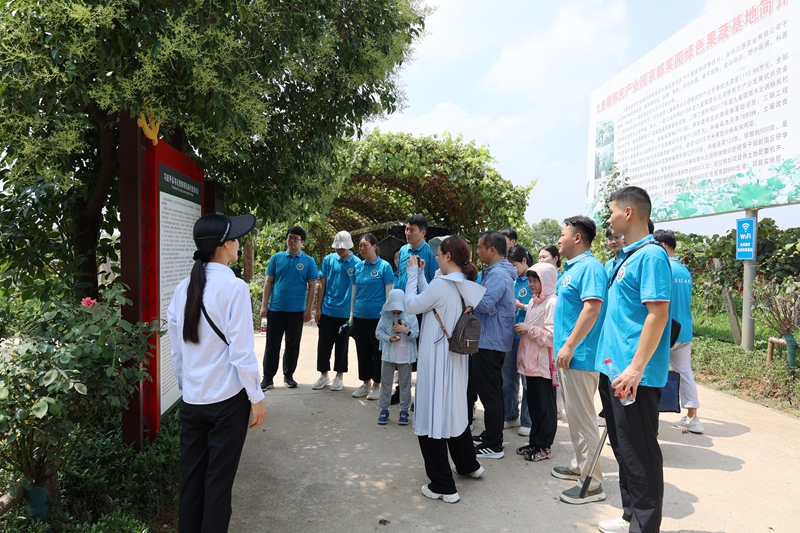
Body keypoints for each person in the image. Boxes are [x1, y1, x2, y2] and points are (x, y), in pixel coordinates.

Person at [167, 214, 266, 533]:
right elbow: (241, 351)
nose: (238, 243)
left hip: (193, 401)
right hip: (227, 403)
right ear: (223, 245)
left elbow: (177, 349)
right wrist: (256, 397)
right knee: (218, 485)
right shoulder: (235, 288)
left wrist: (187, 385)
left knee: (192, 482)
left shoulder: (183, 288)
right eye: (235, 238)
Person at [596, 186, 671, 533]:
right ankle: (630, 514)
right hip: (613, 370)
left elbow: (658, 314)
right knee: (623, 449)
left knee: (640, 454)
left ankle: (644, 526)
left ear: (628, 213)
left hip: (633, 375)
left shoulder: (652, 256)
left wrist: (636, 368)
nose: (608, 219)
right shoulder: (627, 256)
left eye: (611, 211)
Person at [405, 236, 486, 503]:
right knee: (454, 410)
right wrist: (421, 276)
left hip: (437, 358)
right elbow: (431, 299)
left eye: (439, 254)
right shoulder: (463, 284)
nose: (437, 258)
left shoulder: (443, 284)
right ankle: (468, 464)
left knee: (432, 415)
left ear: (448, 257)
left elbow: (412, 305)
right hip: (456, 359)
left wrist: (411, 274)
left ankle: (442, 485)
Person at [551, 216, 608, 505]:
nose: (558, 240)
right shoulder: (573, 268)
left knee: (584, 419)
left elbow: (592, 309)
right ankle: (579, 465)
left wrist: (570, 345)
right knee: (575, 416)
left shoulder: (591, 268)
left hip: (579, 356)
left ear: (577, 238)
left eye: (562, 234)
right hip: (569, 357)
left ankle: (592, 483)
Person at [470, 230, 517, 459]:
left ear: (491, 250)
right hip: (491, 338)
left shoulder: (498, 274)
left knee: (490, 393)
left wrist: (465, 294)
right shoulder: (496, 272)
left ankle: (494, 444)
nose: (477, 251)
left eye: (480, 247)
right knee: (491, 391)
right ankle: (491, 434)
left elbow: (486, 304)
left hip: (491, 341)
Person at [653, 229, 703, 434]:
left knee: (653, 373)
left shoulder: (662, 269)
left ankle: (649, 419)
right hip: (684, 331)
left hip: (665, 331)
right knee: (685, 372)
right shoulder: (684, 271)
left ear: (663, 246)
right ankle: (693, 418)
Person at [259, 226, 319, 390]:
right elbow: (268, 282)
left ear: (302, 242)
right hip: (276, 309)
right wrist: (264, 305)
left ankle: (288, 375)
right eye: (290, 238)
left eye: (296, 239)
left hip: (296, 311)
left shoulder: (308, 261)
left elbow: (312, 286)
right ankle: (268, 378)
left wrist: (308, 310)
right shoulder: (276, 258)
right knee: (272, 344)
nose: (292, 241)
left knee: (293, 344)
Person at [513, 263, 559, 462]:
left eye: (535, 281)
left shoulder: (552, 303)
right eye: (530, 280)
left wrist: (528, 329)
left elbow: (552, 337)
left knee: (545, 408)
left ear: (546, 281)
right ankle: (535, 443)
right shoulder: (534, 301)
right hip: (531, 364)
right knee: (534, 406)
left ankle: (544, 447)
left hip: (543, 365)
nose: (531, 284)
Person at [313, 231, 360, 392]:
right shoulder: (328, 260)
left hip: (345, 312)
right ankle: (323, 374)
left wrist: (354, 313)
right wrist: (318, 308)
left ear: (349, 246)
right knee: (323, 344)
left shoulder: (357, 264)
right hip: (327, 309)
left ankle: (339, 376)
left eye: (342, 247)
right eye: (337, 247)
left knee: (342, 345)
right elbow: (322, 284)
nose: (340, 250)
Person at [351, 234, 394, 400]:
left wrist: (389, 317)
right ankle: (365, 383)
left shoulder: (384, 267)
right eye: (360, 245)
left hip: (378, 317)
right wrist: (352, 315)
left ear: (375, 246)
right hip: (360, 316)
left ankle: (377, 385)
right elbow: (354, 293)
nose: (362, 248)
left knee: (377, 351)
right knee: (362, 351)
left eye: (365, 245)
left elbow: (390, 294)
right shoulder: (358, 267)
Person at [502, 245, 534, 436]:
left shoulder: (533, 279)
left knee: (527, 380)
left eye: (513, 265)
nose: (512, 269)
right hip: (510, 335)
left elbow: (541, 305)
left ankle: (527, 420)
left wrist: (521, 306)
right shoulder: (512, 281)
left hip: (528, 337)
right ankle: (509, 415)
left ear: (524, 261)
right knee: (508, 378)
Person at [375, 289, 419, 425]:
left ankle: (404, 410)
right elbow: (378, 332)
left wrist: (405, 331)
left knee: (405, 384)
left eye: (398, 307)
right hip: (388, 356)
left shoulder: (411, 315)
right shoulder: (386, 316)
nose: (396, 310)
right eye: (393, 307)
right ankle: (384, 409)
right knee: (386, 383)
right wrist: (389, 338)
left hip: (406, 356)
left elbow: (416, 333)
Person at [394, 214, 437, 292]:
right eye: (406, 229)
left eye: (412, 230)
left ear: (423, 233)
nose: (407, 233)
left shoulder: (431, 251)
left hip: (421, 298)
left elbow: (435, 280)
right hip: (403, 297)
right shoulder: (402, 250)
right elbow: (400, 275)